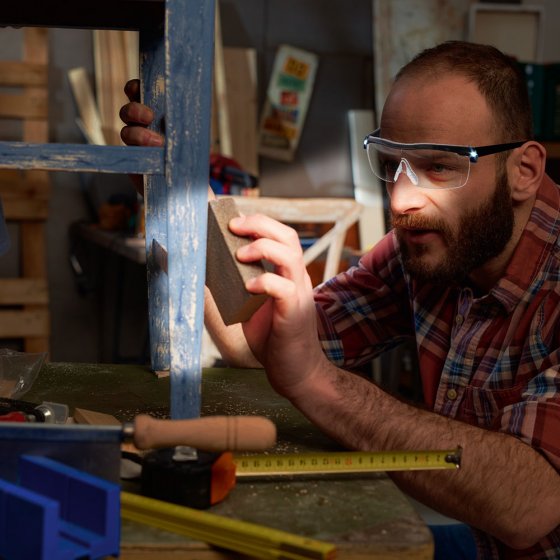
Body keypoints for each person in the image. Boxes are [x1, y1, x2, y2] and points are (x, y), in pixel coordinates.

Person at [120, 41, 560, 559]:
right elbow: (257, 340)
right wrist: (182, 203)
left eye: (440, 166)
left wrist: (316, 382)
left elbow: (531, 504)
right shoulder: (428, 247)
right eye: (392, 163)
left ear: (525, 170)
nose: (402, 199)